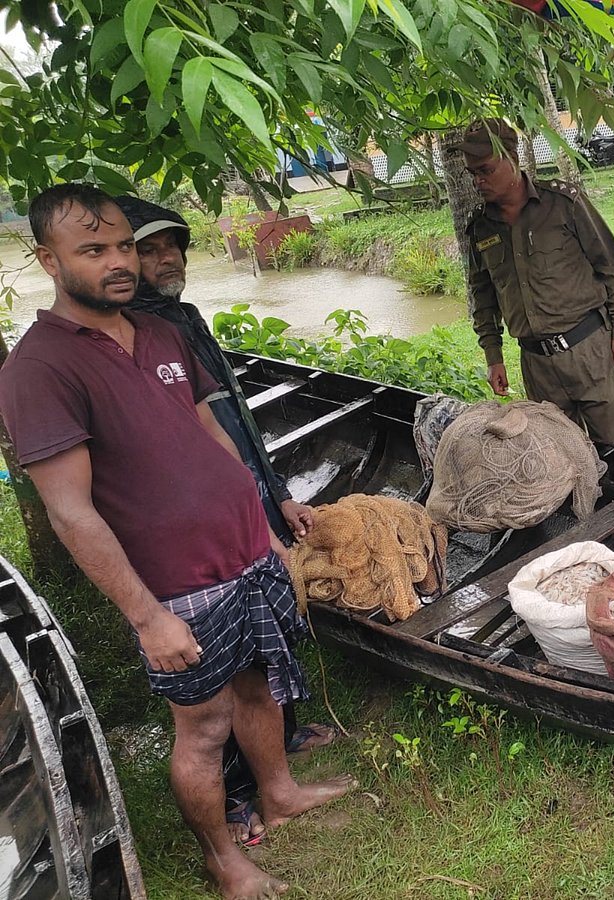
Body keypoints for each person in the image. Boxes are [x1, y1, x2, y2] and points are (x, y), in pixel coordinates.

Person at [0, 184, 354, 900]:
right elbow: (71, 513)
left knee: (258, 685)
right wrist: (147, 617)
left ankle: (279, 792)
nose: (118, 262)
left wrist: (264, 532)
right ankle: (223, 860)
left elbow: (213, 434)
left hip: (246, 554)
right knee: (204, 726)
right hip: (177, 585)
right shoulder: (38, 369)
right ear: (48, 260)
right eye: (92, 250)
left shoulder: (159, 332)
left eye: (123, 246)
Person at [112, 195, 333, 849]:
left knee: (268, 636)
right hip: (200, 529)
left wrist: (277, 496)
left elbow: (234, 423)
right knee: (219, 664)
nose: (166, 259)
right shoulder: (132, 334)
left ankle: (282, 738)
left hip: (246, 496)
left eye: (172, 246)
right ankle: (235, 796)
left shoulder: (180, 317)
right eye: (148, 250)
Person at [456, 118, 614, 445]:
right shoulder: (480, 228)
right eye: (472, 173)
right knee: (558, 459)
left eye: (485, 170)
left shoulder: (563, 204)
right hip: (538, 367)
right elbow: (482, 297)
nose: (478, 181)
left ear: (512, 158)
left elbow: (611, 264)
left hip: (591, 352)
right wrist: (493, 356)